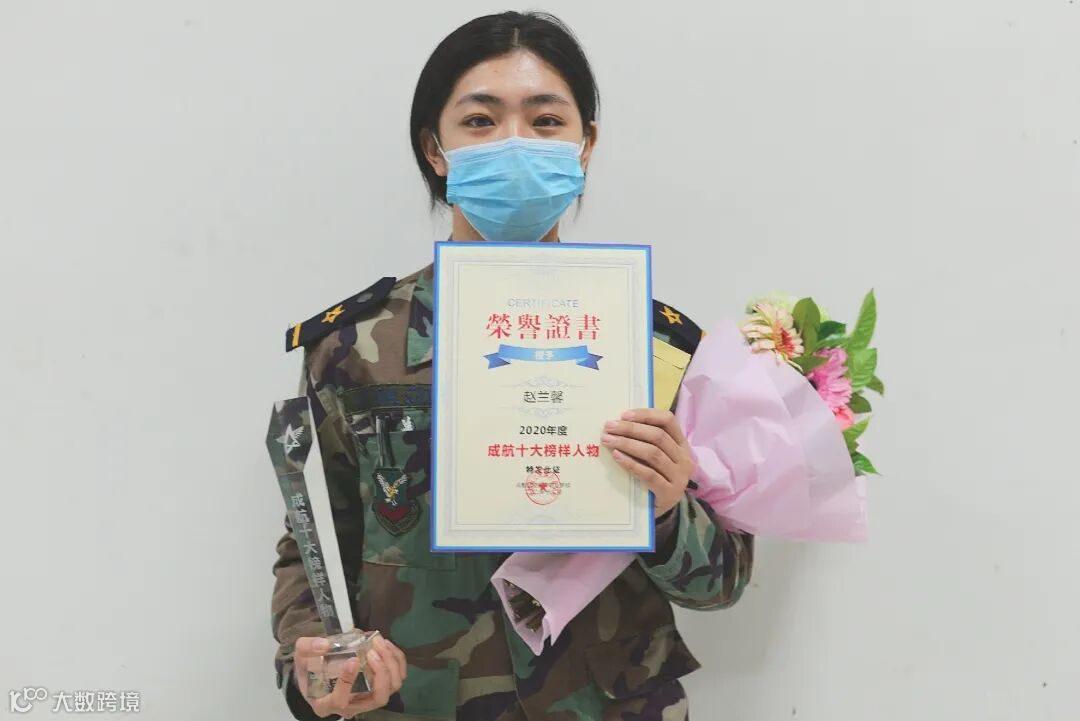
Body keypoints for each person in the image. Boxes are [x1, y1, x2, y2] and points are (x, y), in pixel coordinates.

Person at [271, 11, 754, 721]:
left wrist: (665, 508)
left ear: (585, 146)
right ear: (435, 149)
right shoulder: (356, 348)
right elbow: (312, 543)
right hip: (418, 703)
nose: (515, 143)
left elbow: (721, 584)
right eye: (480, 120)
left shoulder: (658, 349)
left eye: (546, 120)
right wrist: (317, 663)